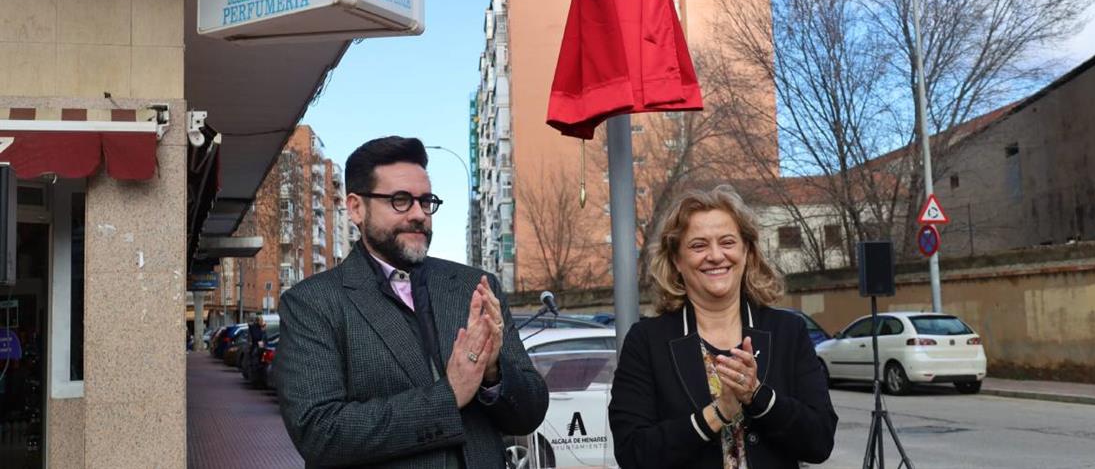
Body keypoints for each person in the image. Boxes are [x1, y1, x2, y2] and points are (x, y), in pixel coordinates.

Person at [277, 136, 548, 468]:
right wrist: (448, 398)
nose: (420, 214)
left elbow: (530, 414)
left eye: (426, 200)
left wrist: (493, 374)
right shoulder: (312, 304)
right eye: (401, 200)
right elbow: (320, 434)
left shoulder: (473, 288)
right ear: (356, 208)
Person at [609, 185, 838, 468]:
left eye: (727, 242)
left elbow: (820, 441)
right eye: (698, 245)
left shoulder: (787, 331)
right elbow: (633, 453)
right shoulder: (646, 341)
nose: (716, 256)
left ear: (747, 252)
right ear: (677, 260)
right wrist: (717, 414)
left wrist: (758, 396)